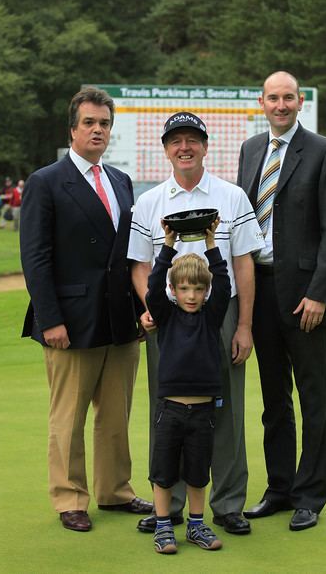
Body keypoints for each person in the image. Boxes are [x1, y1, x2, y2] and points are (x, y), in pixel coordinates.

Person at [20, 87, 152, 532]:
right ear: (72, 129)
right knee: (68, 418)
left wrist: (140, 310)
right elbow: (36, 258)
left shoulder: (120, 180)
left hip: (121, 319)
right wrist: (50, 318)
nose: (98, 130)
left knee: (116, 415)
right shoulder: (45, 182)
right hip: (70, 322)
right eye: (90, 123)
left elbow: (130, 253)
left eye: (105, 124)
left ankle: (115, 491)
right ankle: (69, 498)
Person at [128, 111, 264, 535]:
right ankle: (169, 506)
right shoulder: (149, 202)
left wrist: (244, 326)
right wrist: (148, 306)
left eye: (192, 140)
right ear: (166, 149)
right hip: (167, 320)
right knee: (167, 411)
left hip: (218, 317)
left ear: (205, 146)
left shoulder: (232, 196)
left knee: (224, 409)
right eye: (176, 141)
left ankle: (226, 504)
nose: (184, 147)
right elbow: (140, 264)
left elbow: (243, 265)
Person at [238, 71, 326, 531]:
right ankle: (280, 488)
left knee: (312, 397)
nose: (280, 105)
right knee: (273, 399)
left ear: (300, 101)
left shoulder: (324, 151)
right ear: (261, 102)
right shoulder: (249, 151)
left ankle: (310, 496)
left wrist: (320, 292)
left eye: (288, 98)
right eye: (272, 98)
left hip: (304, 296)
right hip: (258, 292)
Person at [146, 219, 231, 554]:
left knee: (198, 473)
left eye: (198, 289)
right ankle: (164, 526)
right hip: (170, 410)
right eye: (184, 289)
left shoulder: (211, 316)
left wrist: (211, 245)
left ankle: (197, 524)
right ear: (174, 291)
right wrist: (167, 246)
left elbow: (223, 284)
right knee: (164, 472)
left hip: (203, 411)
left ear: (205, 291)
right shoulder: (165, 316)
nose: (192, 296)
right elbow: (153, 288)